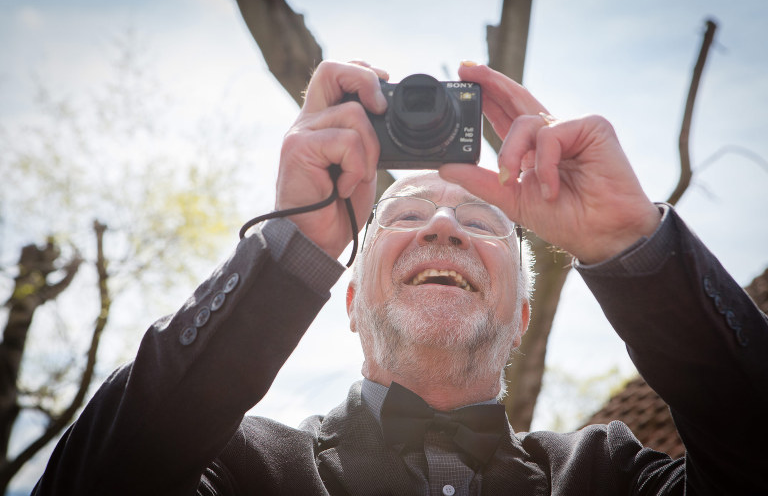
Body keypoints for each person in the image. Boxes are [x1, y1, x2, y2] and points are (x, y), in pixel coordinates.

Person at [33, 61, 766, 495]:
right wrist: (292, 247)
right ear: (350, 300)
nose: (442, 226)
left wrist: (630, 241)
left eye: (482, 224)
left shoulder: (608, 475)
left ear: (521, 317)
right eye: (406, 215)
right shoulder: (240, 467)